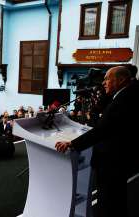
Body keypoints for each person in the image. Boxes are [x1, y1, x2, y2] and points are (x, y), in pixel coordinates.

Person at [55, 66, 139, 217]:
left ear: (121, 80)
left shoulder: (124, 99)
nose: (104, 83)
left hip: (113, 161)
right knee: (116, 200)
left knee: (108, 203)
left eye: (107, 78)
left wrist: (72, 144)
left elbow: (102, 129)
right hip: (120, 159)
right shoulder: (126, 94)